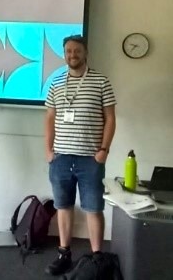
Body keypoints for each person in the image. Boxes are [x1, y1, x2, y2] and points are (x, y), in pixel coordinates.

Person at [44, 35, 116, 276]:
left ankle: (97, 258)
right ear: (64, 54)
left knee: (93, 208)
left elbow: (110, 118)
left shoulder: (101, 81)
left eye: (76, 51)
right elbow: (50, 118)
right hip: (61, 158)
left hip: (90, 158)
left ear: (85, 53)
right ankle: (64, 254)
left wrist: (104, 150)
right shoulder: (56, 82)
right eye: (68, 51)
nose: (72, 55)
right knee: (63, 206)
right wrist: (49, 150)